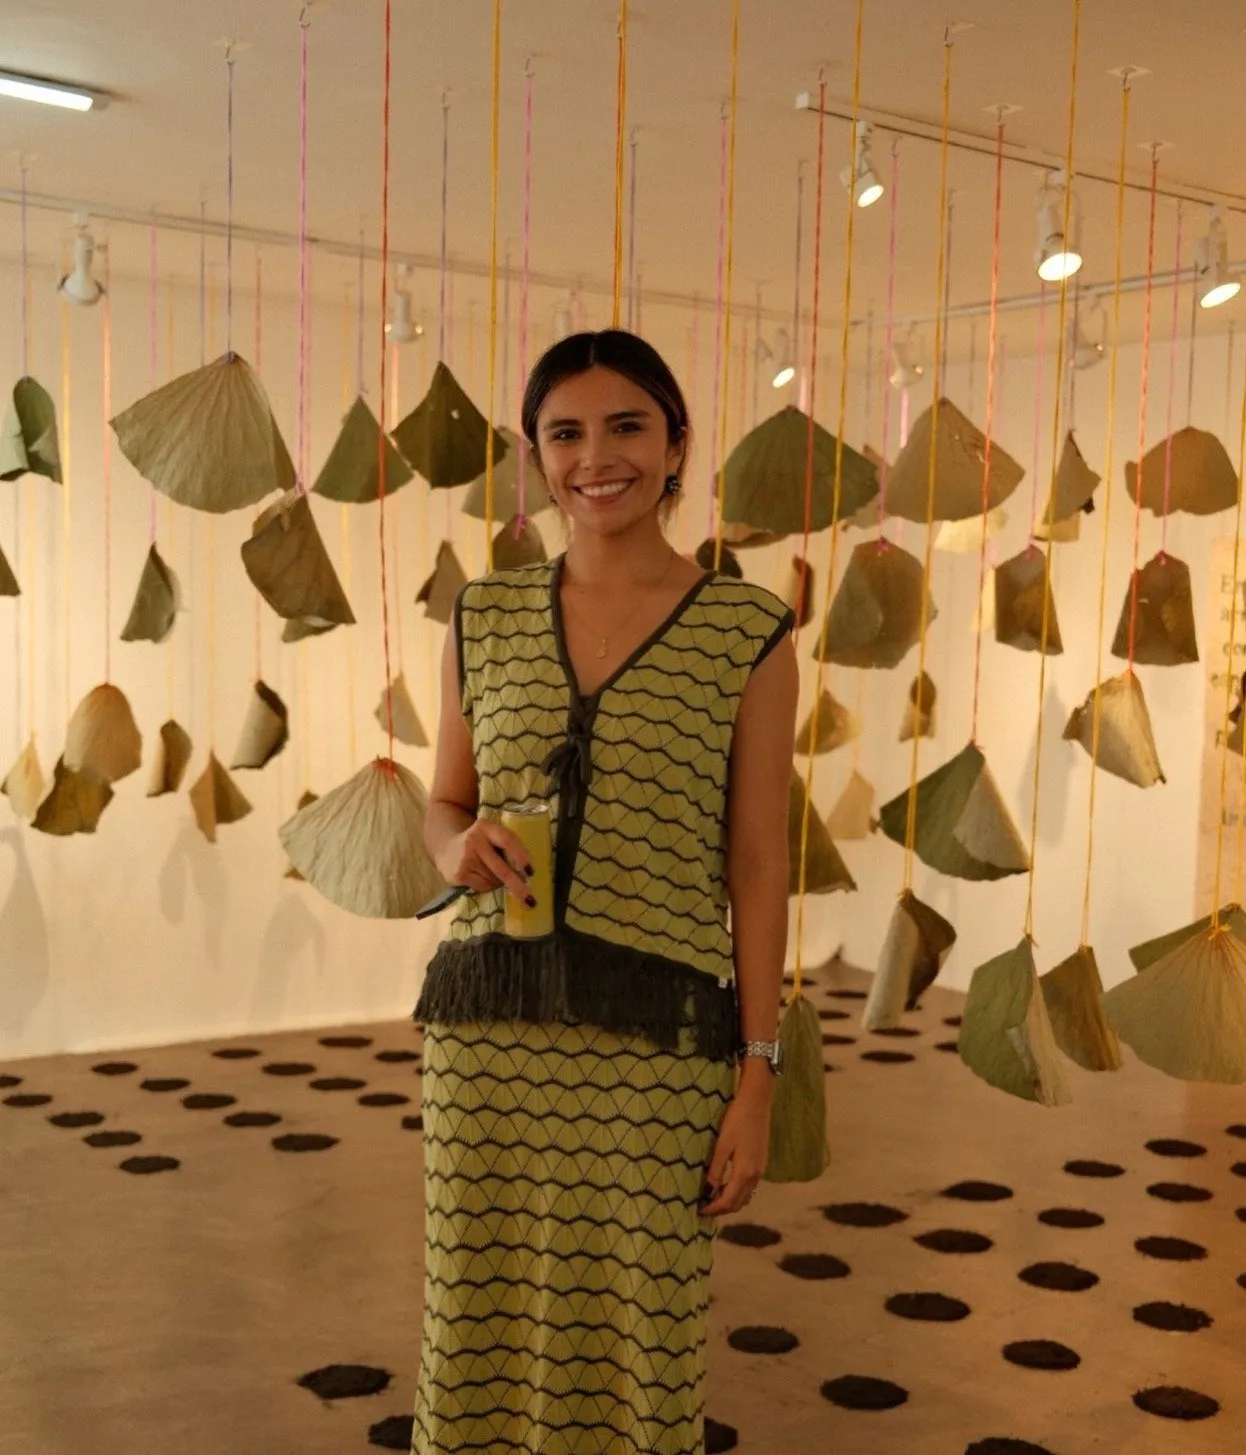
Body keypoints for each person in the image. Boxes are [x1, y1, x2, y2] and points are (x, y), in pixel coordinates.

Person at [412, 328, 799, 1455]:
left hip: (660, 1045)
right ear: (537, 458)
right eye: (564, 433)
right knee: (473, 1316)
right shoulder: (481, 616)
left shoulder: (748, 629)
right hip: (487, 1038)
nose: (597, 457)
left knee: (645, 1332)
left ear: (676, 443)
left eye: (626, 425)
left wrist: (757, 1077)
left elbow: (759, 867)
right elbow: (443, 805)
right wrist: (453, 851)